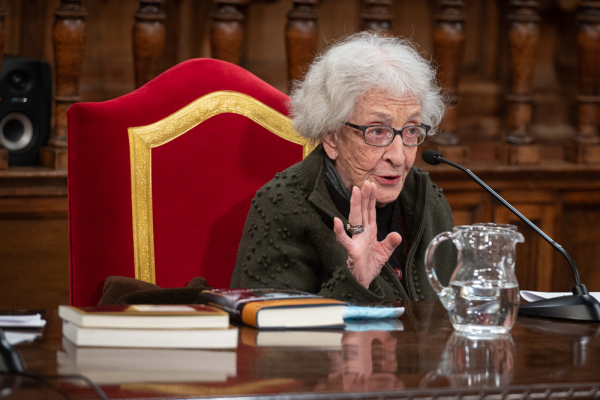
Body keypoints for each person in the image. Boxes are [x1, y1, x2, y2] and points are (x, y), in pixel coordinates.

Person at [230, 32, 455, 303]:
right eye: (377, 131)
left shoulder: (426, 198)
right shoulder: (284, 205)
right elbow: (268, 332)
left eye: (410, 131)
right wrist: (355, 280)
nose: (398, 156)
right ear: (331, 136)